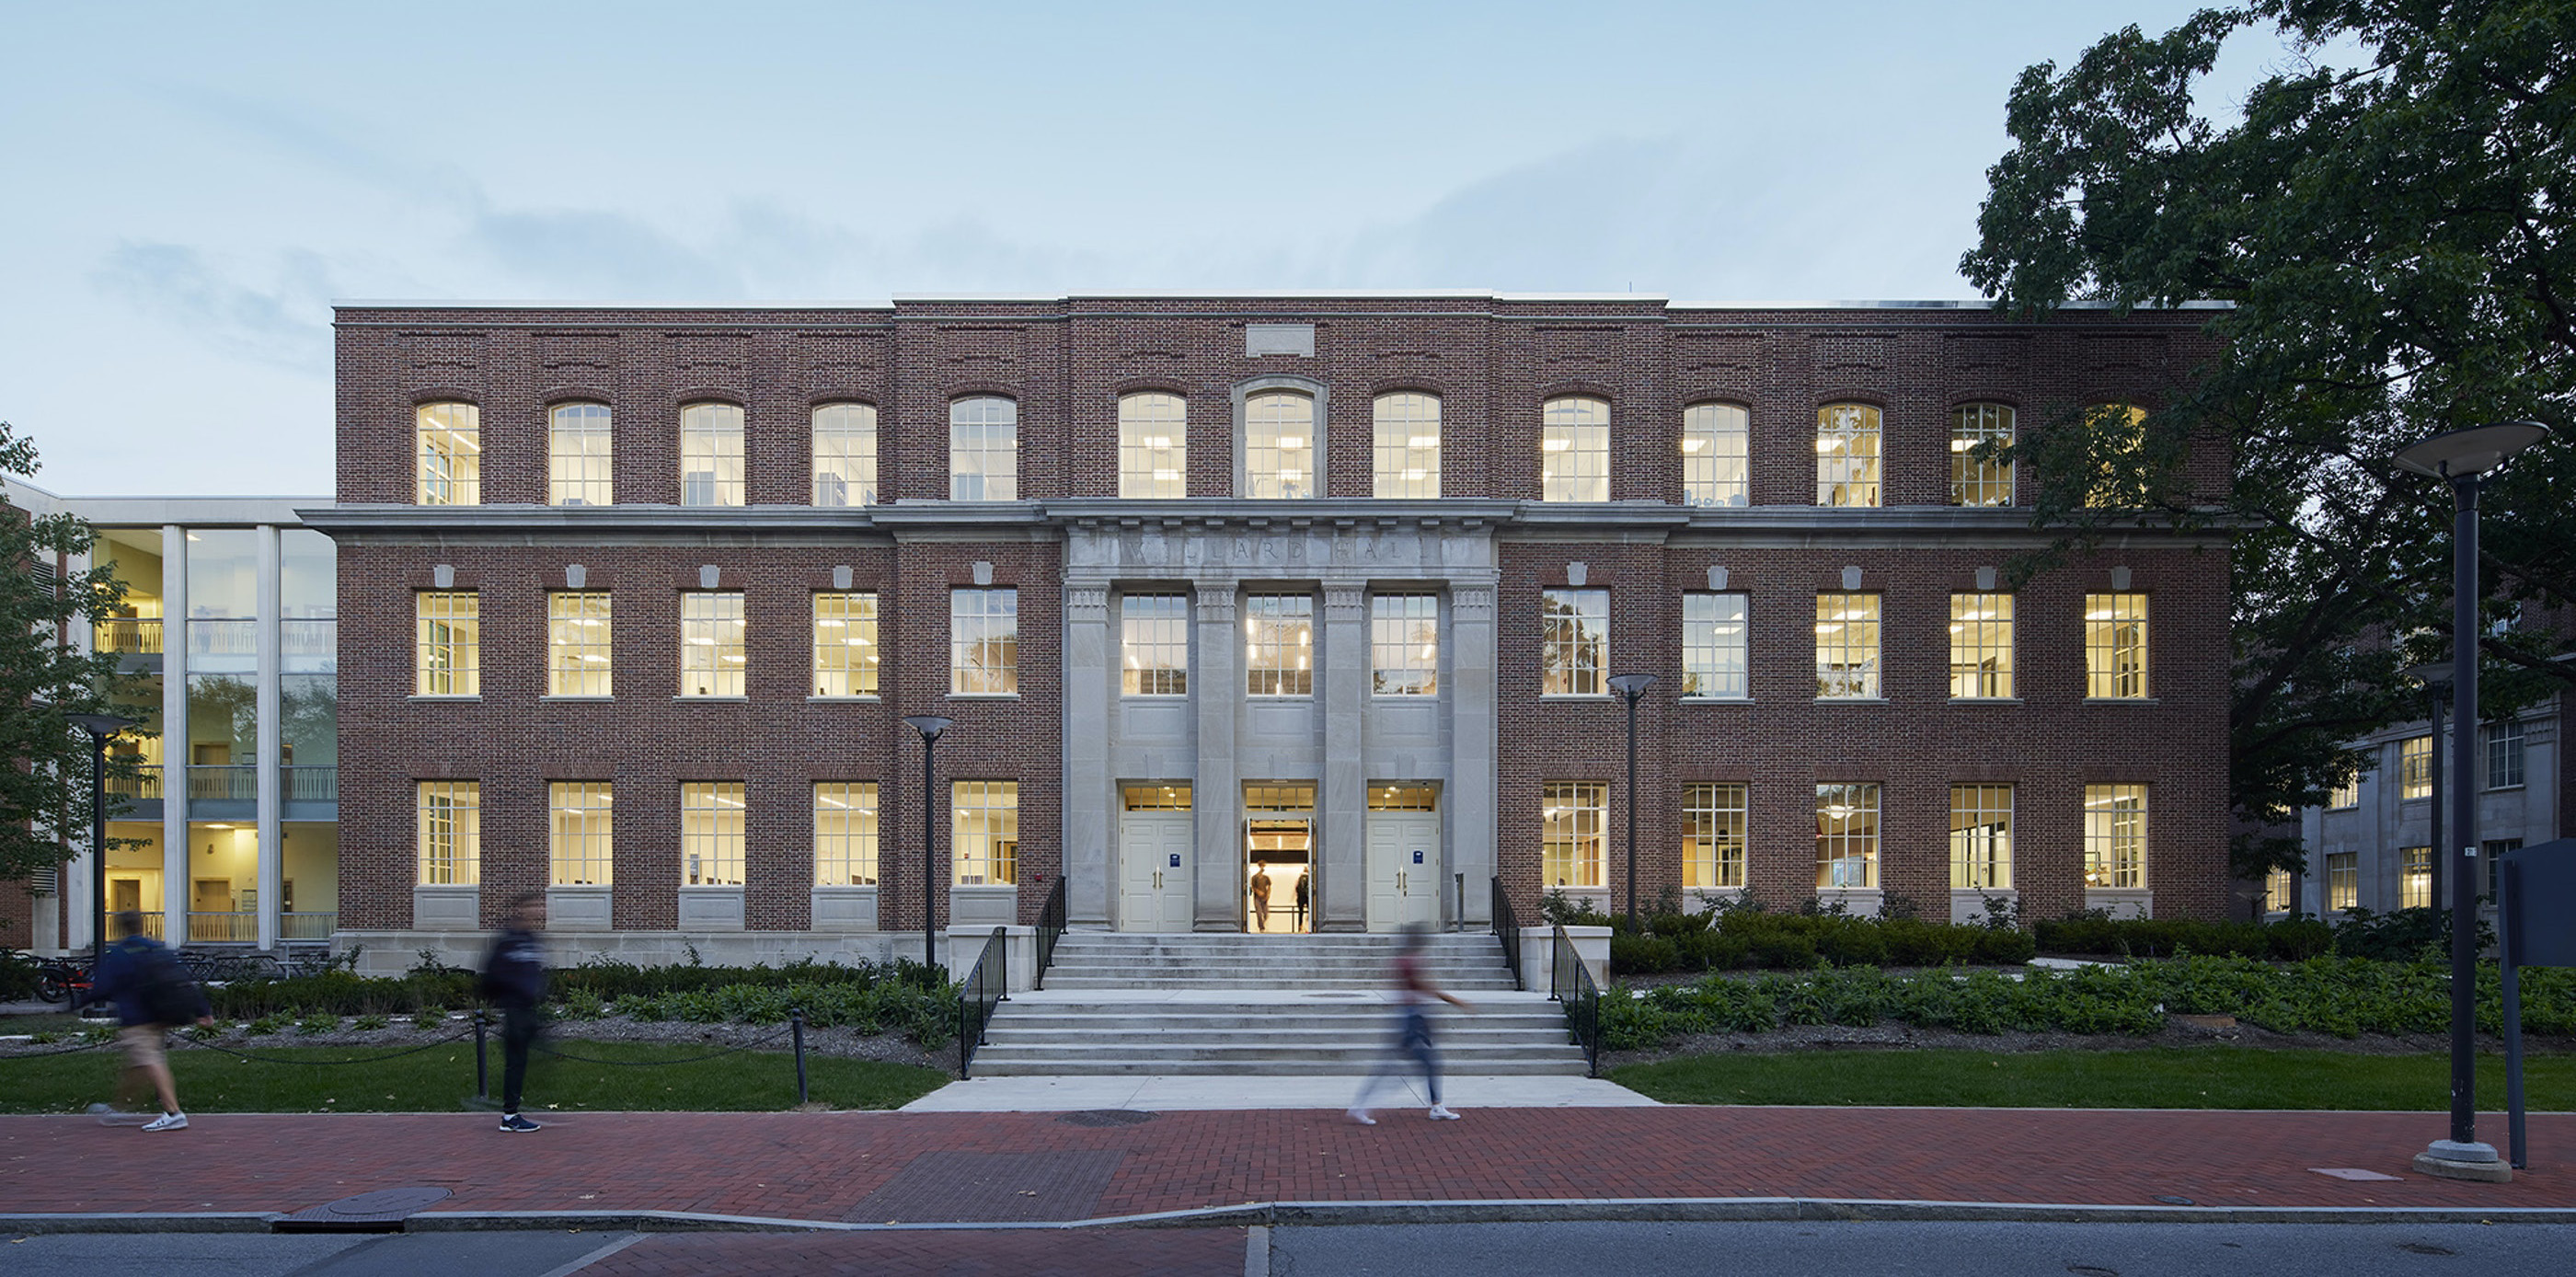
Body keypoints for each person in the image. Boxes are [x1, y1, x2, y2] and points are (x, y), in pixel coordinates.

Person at [85, 910, 212, 1132]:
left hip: (136, 1017)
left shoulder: (120, 953)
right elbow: (182, 979)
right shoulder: (157, 948)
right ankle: (119, 1108)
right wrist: (202, 1010)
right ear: (141, 925)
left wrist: (80, 1001)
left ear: (120, 927)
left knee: (151, 1060)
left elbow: (102, 987)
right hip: (160, 1015)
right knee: (136, 1064)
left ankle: (173, 1112)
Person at [1349, 924, 1473, 1123]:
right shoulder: (1409, 962)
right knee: (1407, 1067)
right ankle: (1360, 1107)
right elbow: (1427, 988)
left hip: (1411, 1017)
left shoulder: (1404, 960)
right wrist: (1457, 1002)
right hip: (1410, 1019)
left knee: (1427, 1063)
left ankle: (1436, 1106)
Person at [480, 892, 549, 1133]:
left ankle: (513, 1110)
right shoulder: (508, 940)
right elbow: (491, 973)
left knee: (525, 1060)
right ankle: (510, 1116)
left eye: (539, 906)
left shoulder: (531, 938)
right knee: (515, 1062)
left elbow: (534, 970)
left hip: (528, 1009)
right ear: (520, 910)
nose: (539, 911)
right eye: (533, 906)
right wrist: (510, 996)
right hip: (514, 1008)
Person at [1248, 861, 1273, 932]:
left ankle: (1263, 924)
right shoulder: (1254, 877)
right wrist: (1258, 892)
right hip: (1257, 898)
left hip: (1264, 898)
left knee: (1266, 913)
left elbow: (1269, 886)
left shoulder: (1266, 878)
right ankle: (1261, 927)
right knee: (1259, 913)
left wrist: (1268, 895)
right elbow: (1253, 887)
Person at [1294, 869, 1310, 933]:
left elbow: (1297, 888)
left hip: (1300, 898)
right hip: (1307, 898)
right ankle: (1308, 925)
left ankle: (1300, 926)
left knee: (1301, 912)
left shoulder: (1299, 878)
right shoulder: (1309, 878)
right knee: (1310, 912)